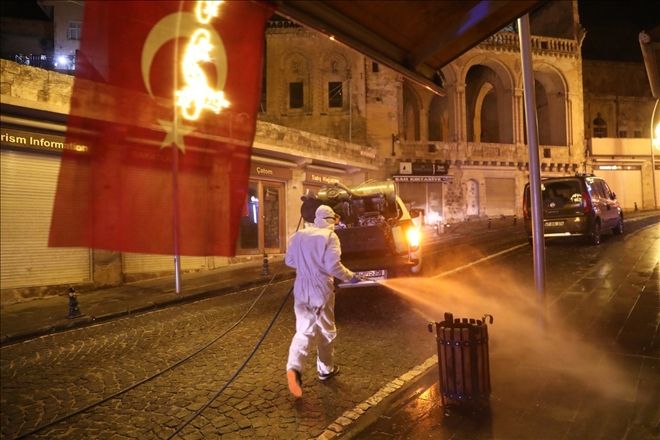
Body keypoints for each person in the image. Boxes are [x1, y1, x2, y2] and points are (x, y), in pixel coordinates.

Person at [284, 204, 361, 398]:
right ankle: (325, 370)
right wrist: (350, 277)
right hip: (320, 288)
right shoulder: (330, 237)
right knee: (326, 331)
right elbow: (333, 265)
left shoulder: (300, 235)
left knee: (303, 331)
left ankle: (294, 368)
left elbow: (289, 262)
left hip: (301, 287)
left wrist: (306, 265)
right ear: (331, 219)